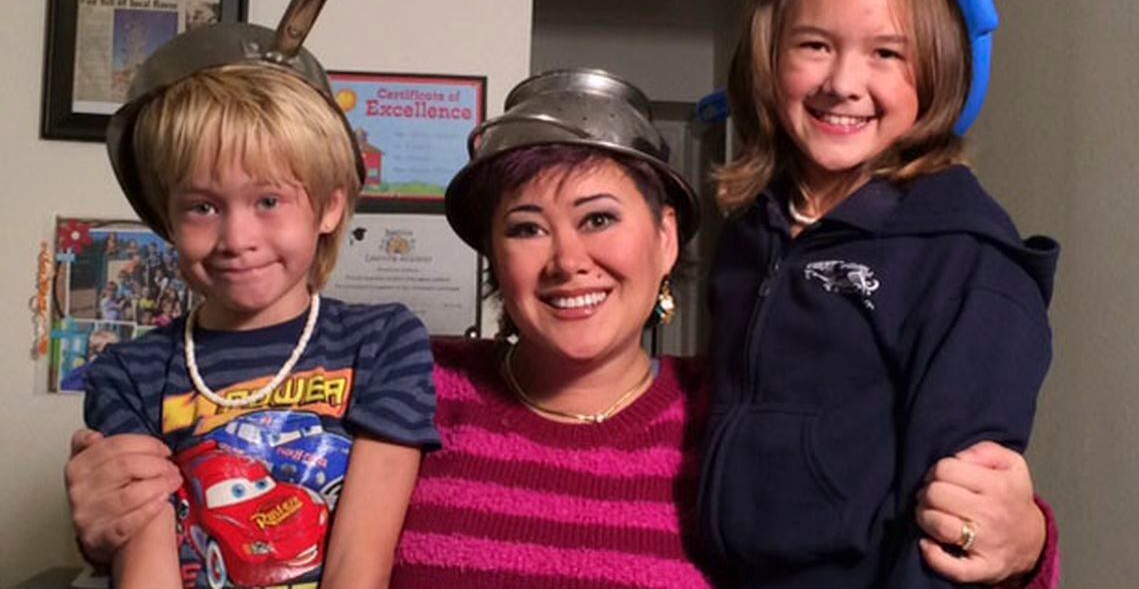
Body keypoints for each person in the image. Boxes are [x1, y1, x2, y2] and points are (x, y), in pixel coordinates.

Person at [65, 68, 1057, 588]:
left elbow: (883, 546)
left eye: (599, 220)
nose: (567, 261)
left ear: (668, 240)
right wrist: (111, 516)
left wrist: (1023, 550)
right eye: (526, 228)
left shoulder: (746, 416)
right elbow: (228, 491)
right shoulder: (403, 382)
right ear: (494, 258)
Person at [697, 0, 1059, 586]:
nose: (842, 82)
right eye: (815, 45)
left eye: (887, 53)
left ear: (942, 70)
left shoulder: (966, 264)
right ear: (769, 53)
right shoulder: (748, 236)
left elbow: (953, 533)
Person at [82, 23, 438, 588]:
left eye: (268, 200)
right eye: (202, 207)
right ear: (166, 219)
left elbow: (360, 561)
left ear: (327, 208)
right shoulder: (128, 374)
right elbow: (145, 566)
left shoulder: (383, 341)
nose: (236, 238)